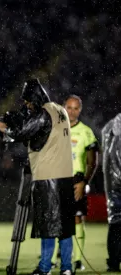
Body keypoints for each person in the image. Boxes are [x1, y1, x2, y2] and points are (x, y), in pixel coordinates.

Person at [0, 79, 76, 275]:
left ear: (36, 98)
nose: (27, 105)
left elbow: (21, 131)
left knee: (47, 225)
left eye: (29, 101)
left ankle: (45, 267)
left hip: (48, 177)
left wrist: (2, 126)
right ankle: (67, 268)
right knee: (65, 227)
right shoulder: (60, 110)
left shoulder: (42, 114)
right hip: (66, 177)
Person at [50, 95, 99, 270]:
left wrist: (84, 181)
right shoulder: (55, 129)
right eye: (69, 108)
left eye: (75, 108)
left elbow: (92, 162)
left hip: (76, 180)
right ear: (64, 107)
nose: (72, 111)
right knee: (56, 220)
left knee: (77, 218)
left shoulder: (86, 132)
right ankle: (55, 258)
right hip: (57, 178)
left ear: (80, 110)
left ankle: (77, 260)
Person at [102, 113, 121, 272]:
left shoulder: (110, 126)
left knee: (115, 223)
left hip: (113, 183)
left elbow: (107, 160)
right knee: (115, 224)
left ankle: (114, 261)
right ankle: (114, 260)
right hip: (115, 182)